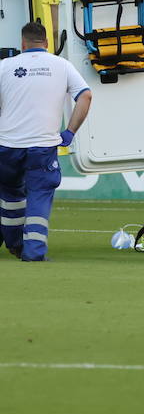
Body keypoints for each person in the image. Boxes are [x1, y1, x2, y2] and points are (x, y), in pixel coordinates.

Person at [0, 21, 90, 263]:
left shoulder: (5, 66)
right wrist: (69, 132)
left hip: (7, 145)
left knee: (10, 195)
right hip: (42, 146)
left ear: (22, 43)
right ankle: (34, 252)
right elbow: (85, 96)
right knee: (39, 195)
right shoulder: (61, 65)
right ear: (47, 43)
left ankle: (15, 244)